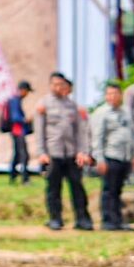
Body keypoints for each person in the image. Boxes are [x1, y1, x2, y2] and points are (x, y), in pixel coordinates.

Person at [38, 71, 92, 231]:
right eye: (54, 84)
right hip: (53, 153)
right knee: (53, 188)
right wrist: (42, 152)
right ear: (50, 85)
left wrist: (82, 151)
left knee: (77, 186)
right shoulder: (43, 105)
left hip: (71, 153)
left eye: (61, 84)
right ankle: (55, 218)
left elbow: (80, 132)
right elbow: (39, 131)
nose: (58, 87)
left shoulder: (72, 106)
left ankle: (82, 218)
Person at [92, 82, 134, 233]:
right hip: (110, 156)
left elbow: (131, 135)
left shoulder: (126, 112)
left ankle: (118, 220)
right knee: (108, 190)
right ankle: (107, 220)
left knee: (118, 190)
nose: (113, 97)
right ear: (106, 96)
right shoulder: (101, 113)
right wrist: (100, 159)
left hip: (124, 157)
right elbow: (97, 138)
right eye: (109, 94)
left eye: (115, 93)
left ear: (121, 95)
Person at [2, 81, 34, 181]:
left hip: (15, 131)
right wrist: (26, 120)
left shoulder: (14, 99)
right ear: (23, 90)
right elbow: (15, 117)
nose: (27, 94)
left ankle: (13, 176)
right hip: (18, 131)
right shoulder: (15, 100)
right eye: (27, 91)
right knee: (24, 155)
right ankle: (25, 178)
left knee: (17, 154)